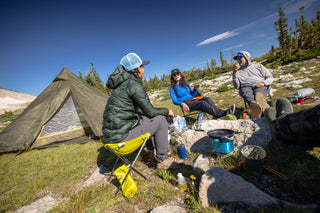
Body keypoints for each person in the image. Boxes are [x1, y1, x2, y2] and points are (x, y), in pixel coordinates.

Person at [102, 53, 181, 169]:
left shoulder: (121, 85)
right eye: (143, 67)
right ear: (138, 69)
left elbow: (143, 111)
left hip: (109, 139)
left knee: (145, 119)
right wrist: (167, 111)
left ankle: (150, 152)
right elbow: (150, 112)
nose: (144, 69)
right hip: (121, 140)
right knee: (160, 121)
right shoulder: (133, 84)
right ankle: (164, 160)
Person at [169, 68, 235, 119]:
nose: (176, 76)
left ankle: (217, 114)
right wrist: (182, 104)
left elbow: (192, 95)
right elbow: (174, 101)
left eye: (178, 74)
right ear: (173, 77)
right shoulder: (172, 88)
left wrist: (194, 88)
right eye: (174, 75)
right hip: (186, 103)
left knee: (207, 99)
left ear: (180, 74)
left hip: (193, 99)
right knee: (202, 103)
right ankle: (223, 114)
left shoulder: (186, 84)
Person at [232, 51, 274, 119]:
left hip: (259, 84)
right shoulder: (238, 71)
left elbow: (270, 77)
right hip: (245, 87)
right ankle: (258, 108)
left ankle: (260, 109)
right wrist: (234, 74)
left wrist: (263, 83)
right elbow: (237, 86)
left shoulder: (258, 66)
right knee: (247, 94)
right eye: (237, 59)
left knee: (258, 95)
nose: (238, 60)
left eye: (240, 58)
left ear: (246, 57)